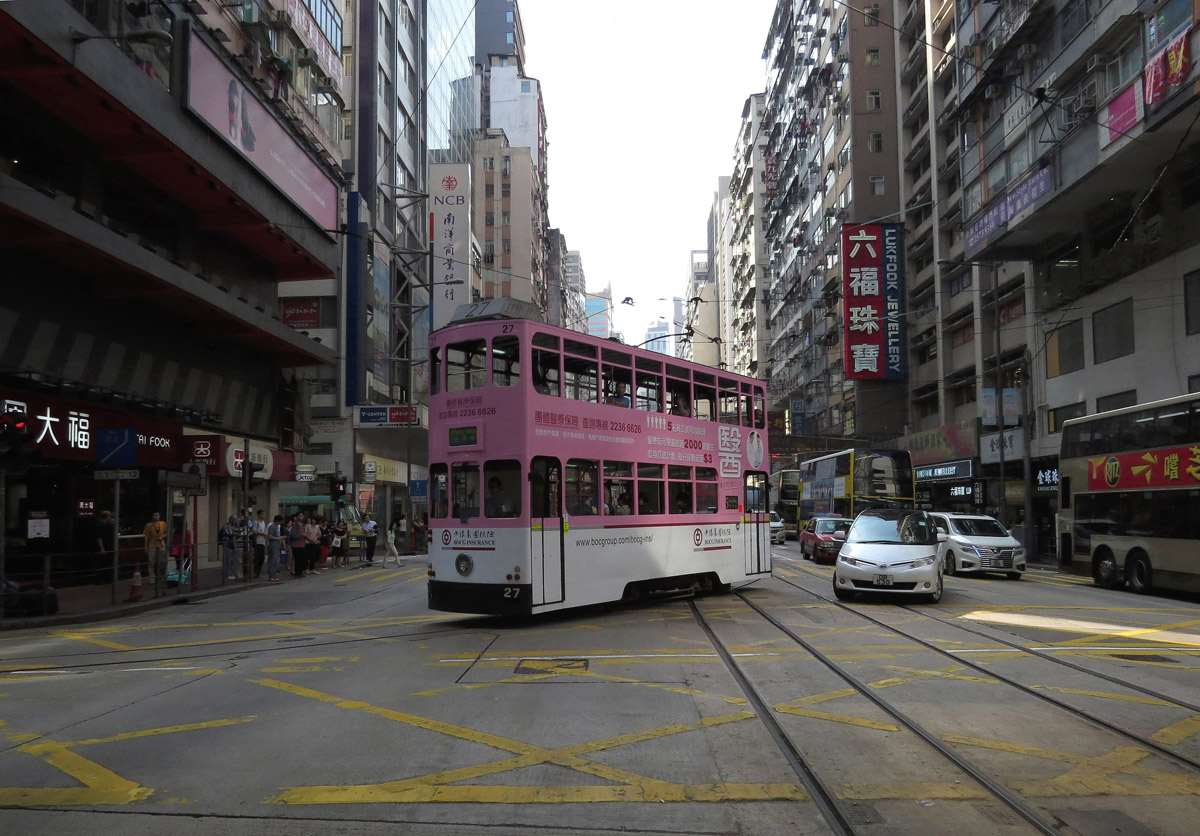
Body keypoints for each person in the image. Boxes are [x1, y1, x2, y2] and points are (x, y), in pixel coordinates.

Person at [143, 511, 168, 589]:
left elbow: (166, 532)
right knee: (151, 562)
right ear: (152, 516)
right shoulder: (149, 525)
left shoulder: (163, 524)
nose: (157, 517)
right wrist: (145, 546)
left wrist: (162, 537)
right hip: (152, 545)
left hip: (161, 544)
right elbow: (146, 536)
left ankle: (161, 576)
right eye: (155, 515)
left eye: (158, 515)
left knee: (162, 561)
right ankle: (152, 578)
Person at [95, 510, 115, 585]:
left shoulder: (107, 525)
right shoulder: (100, 526)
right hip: (104, 547)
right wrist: (102, 548)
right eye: (109, 516)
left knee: (108, 563)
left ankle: (106, 579)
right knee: (102, 564)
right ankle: (100, 580)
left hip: (109, 547)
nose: (111, 517)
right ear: (106, 517)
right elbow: (99, 538)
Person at [219, 515, 239, 581]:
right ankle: (227, 575)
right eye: (234, 519)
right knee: (227, 560)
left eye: (236, 519)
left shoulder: (235, 526)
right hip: (227, 544)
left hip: (232, 545)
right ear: (230, 519)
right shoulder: (226, 526)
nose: (236, 521)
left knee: (233, 560)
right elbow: (231, 534)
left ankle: (232, 574)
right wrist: (236, 533)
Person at [289, 513, 308, 578]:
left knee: (302, 559)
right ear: (297, 517)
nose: (302, 517)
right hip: (296, 545)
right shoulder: (295, 526)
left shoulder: (302, 525)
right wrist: (302, 535)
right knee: (298, 559)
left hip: (302, 544)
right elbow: (293, 535)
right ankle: (297, 573)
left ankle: (301, 571)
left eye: (302, 515)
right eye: (300, 516)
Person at [266, 515, 284, 581]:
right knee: (272, 560)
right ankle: (271, 575)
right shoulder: (272, 526)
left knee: (276, 561)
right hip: (273, 545)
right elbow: (270, 536)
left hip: (277, 544)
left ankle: (274, 574)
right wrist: (279, 538)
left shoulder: (277, 526)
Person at [252, 510, 268, 578]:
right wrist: (262, 533)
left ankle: (258, 572)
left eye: (264, 514)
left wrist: (264, 534)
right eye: (262, 514)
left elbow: (264, 530)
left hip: (262, 541)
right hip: (257, 541)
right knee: (257, 557)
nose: (263, 516)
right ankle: (255, 572)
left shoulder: (263, 522)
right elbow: (254, 531)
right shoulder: (256, 522)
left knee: (262, 558)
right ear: (258, 515)